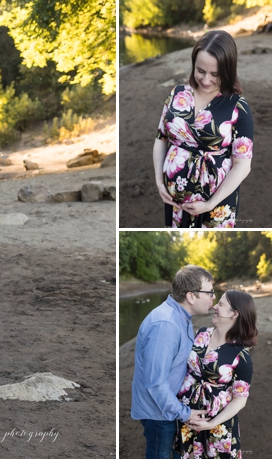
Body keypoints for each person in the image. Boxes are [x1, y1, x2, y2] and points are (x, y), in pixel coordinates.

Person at [153, 30, 252, 228]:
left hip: (216, 204)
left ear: (228, 70)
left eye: (215, 74)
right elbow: (161, 139)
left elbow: (242, 165)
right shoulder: (177, 94)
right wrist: (159, 182)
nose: (206, 80)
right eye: (201, 71)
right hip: (174, 201)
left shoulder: (239, 108)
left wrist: (209, 204)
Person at [131, 265, 213, 459]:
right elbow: (155, 382)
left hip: (171, 407)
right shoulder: (165, 324)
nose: (213, 298)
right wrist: (184, 413)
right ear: (191, 296)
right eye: (209, 292)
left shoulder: (182, 318)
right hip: (159, 413)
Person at [175, 290, 256, 459]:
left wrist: (211, 423)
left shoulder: (241, 356)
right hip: (187, 415)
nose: (214, 307)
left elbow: (240, 400)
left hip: (217, 424)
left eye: (221, 304)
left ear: (234, 314)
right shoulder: (200, 333)